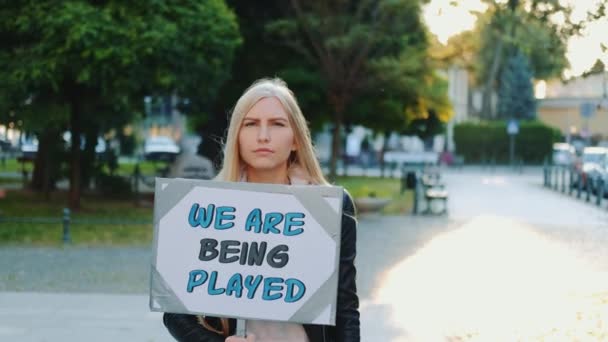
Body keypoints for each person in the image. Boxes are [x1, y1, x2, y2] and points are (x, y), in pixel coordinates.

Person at [162, 78, 360, 342]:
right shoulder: (203, 206)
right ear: (237, 137)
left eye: (277, 124)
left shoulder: (331, 208)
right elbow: (174, 310)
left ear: (296, 140)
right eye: (251, 124)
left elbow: (345, 306)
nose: (263, 136)